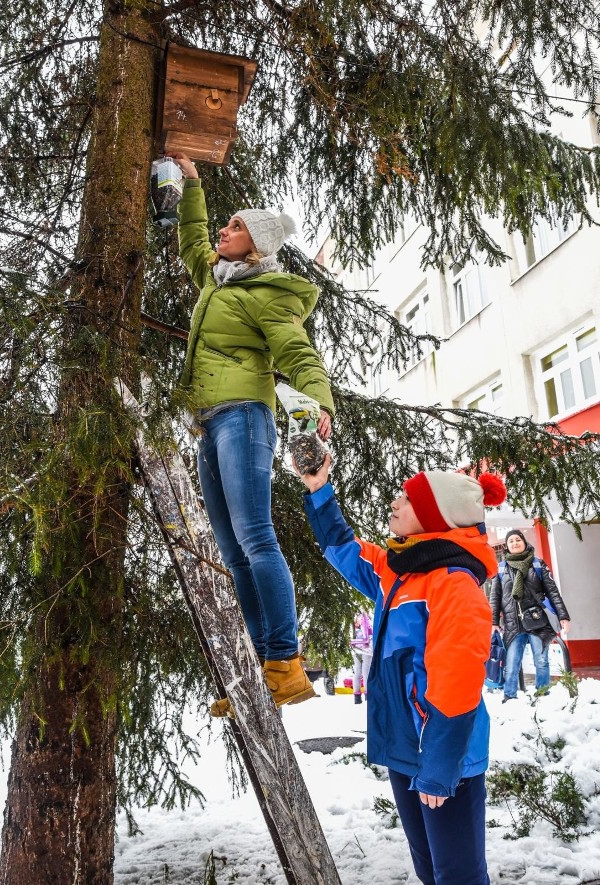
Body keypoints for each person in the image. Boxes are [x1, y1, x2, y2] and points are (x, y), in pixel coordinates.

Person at [171, 152, 335, 714]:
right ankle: (257, 669)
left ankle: (286, 664)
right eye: (228, 221)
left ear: (258, 245)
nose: (225, 228)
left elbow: (298, 354)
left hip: (244, 417)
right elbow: (192, 243)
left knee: (255, 537)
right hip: (209, 424)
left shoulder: (267, 297)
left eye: (236, 225)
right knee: (232, 550)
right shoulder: (218, 282)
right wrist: (192, 184)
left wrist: (319, 407)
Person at [298, 456, 506, 885]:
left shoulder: (453, 582)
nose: (394, 504)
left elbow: (459, 679)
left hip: (445, 756)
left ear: (434, 517)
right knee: (430, 868)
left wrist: (439, 765)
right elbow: (345, 550)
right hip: (406, 749)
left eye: (408, 500)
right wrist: (319, 489)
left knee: (459, 875)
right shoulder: (402, 572)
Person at [489, 529, 571, 703]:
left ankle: (542, 695)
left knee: (541, 661)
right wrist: (493, 622)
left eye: (518, 539)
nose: (515, 543)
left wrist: (563, 616)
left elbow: (553, 592)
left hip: (537, 621)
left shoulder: (537, 564)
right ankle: (509, 697)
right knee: (511, 665)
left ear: (524, 542)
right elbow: (495, 597)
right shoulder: (502, 568)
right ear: (507, 546)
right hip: (513, 624)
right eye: (511, 541)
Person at [350, 610, 373, 703]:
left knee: (357, 672)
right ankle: (368, 696)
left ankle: (357, 697)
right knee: (366, 672)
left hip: (355, 649)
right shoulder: (366, 617)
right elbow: (370, 634)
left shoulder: (351, 619)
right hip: (366, 649)